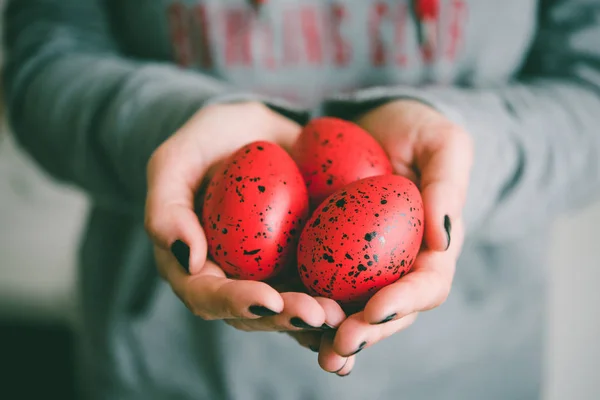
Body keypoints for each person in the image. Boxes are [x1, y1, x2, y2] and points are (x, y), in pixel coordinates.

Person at [3, 0, 600, 398]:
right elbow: (39, 58)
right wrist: (172, 125)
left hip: (463, 375)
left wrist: (464, 151)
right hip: (165, 369)